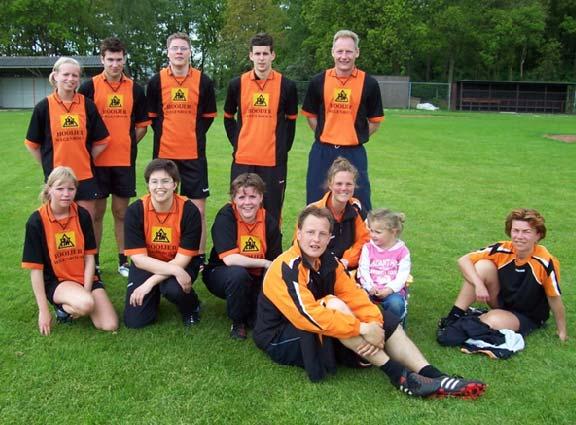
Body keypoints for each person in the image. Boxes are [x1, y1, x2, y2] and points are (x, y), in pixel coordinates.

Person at [254, 206, 486, 399]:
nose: (316, 239)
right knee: (332, 304)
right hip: (280, 337)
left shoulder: (328, 261)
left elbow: (354, 295)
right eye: (310, 232)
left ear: (329, 237)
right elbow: (307, 315)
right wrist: (362, 328)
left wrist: (374, 323)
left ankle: (435, 375)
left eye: (322, 234)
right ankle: (400, 376)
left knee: (381, 317)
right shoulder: (285, 267)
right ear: (299, 232)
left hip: (320, 326)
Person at [78, 37, 151, 278]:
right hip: (96, 163)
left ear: (124, 59)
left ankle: (123, 260)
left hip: (123, 162)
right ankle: (95, 262)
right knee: (96, 214)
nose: (115, 64)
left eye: (119, 59)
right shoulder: (89, 87)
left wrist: (127, 143)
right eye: (110, 59)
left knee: (121, 213)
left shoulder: (135, 89)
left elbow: (142, 125)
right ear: (102, 59)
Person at [439, 208, 567, 341]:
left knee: (492, 320)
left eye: (526, 232)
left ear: (538, 235)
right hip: (502, 302)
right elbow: (463, 260)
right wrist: (479, 285)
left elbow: (554, 299)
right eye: (515, 230)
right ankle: (453, 317)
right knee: (482, 266)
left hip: (527, 315)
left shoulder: (546, 261)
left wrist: (562, 331)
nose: (519, 236)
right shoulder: (503, 248)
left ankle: (481, 322)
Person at [21, 166, 118, 335]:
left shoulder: (82, 215)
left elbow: (89, 258)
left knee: (110, 325)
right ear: (49, 189)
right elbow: (36, 270)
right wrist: (43, 310)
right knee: (86, 304)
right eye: (60, 189)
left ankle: (70, 306)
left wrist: (86, 291)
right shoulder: (36, 221)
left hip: (85, 277)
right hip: (57, 281)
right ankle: (62, 306)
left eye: (71, 189)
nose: (66, 194)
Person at [147, 32, 217, 259]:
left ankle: (198, 257)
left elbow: (207, 117)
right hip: (164, 158)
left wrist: (191, 136)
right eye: (175, 48)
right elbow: (153, 118)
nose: (179, 52)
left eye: (183, 48)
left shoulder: (203, 81)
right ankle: (168, 254)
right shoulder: (156, 81)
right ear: (167, 52)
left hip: (194, 156)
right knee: (164, 208)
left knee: (198, 210)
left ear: (190, 52)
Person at [301, 30, 384, 211]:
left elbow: (375, 122)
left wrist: (353, 136)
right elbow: (311, 116)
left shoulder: (369, 83)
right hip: (322, 151)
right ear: (332, 52)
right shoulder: (318, 81)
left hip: (354, 152)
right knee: (316, 202)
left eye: (348, 51)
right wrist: (328, 135)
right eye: (340, 51)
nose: (344, 56)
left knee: (359, 203)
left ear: (357, 52)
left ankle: (360, 239)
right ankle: (316, 239)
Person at [223, 33, 298, 222]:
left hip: (273, 161)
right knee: (241, 208)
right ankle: (239, 250)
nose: (261, 58)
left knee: (272, 212)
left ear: (273, 55)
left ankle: (272, 251)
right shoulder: (236, 84)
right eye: (258, 54)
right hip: (243, 159)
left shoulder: (287, 86)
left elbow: (291, 122)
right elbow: (228, 117)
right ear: (251, 55)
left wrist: (281, 148)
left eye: (265, 53)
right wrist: (238, 142)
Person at [24, 57, 110, 221]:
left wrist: (86, 157)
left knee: (86, 224)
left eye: (75, 75)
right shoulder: (43, 107)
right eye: (66, 74)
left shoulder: (87, 105)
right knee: (59, 225)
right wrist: (48, 164)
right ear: (55, 75)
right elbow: (32, 144)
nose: (70, 79)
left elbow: (102, 140)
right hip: (57, 179)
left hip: (84, 176)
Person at [123, 159, 203, 328]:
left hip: (181, 262)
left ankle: (191, 304)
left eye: (166, 181)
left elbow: (182, 261)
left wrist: (149, 283)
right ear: (148, 185)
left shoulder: (189, 211)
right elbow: (139, 260)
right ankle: (154, 296)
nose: (160, 186)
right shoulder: (135, 210)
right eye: (154, 181)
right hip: (149, 263)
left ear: (175, 184)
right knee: (135, 322)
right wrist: (172, 271)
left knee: (175, 288)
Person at [202, 173, 282, 340]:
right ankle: (237, 321)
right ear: (234, 199)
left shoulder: (269, 221)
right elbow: (230, 259)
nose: (247, 202)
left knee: (260, 319)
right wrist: (264, 263)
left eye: (252, 196)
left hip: (255, 277)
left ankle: (252, 309)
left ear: (260, 198)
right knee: (238, 274)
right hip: (222, 273)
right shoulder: (226, 216)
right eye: (242, 197)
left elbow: (275, 262)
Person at [308, 157, 369, 270]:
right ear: (330, 185)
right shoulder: (313, 211)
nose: (344, 188)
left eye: (349, 184)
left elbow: (365, 239)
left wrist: (347, 260)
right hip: (319, 268)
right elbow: (301, 246)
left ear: (354, 185)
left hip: (347, 267)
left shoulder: (356, 207)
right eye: (339, 184)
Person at [357, 209, 411, 322]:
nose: (372, 235)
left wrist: (389, 289)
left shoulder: (402, 251)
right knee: (358, 300)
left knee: (396, 304)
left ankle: (393, 329)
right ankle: (369, 326)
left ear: (393, 232)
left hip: (392, 291)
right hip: (370, 288)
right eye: (371, 230)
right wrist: (369, 286)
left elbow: (403, 275)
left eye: (378, 232)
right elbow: (363, 269)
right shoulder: (368, 248)